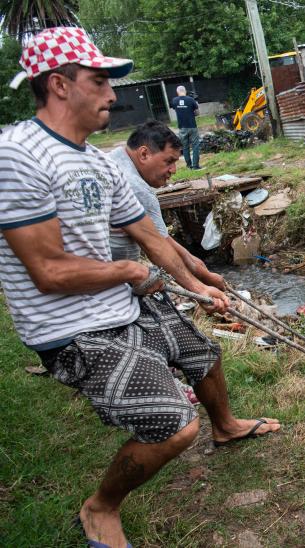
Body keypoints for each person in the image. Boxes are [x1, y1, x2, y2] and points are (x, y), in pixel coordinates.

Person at [0, 27, 279, 548]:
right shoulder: (18, 155)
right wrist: (127, 274)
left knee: (202, 352)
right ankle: (100, 508)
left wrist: (202, 281)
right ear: (60, 85)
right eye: (101, 80)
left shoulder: (94, 160)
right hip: (71, 327)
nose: (112, 94)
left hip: (120, 304)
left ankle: (227, 427)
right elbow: (47, 271)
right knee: (175, 426)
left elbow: (151, 238)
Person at [108, 120, 225, 290]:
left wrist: (201, 271)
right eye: (169, 161)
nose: (174, 170)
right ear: (144, 154)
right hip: (106, 283)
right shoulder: (136, 188)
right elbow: (159, 247)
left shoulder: (110, 159)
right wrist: (204, 282)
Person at [171, 85, 201, 170]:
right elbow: (197, 113)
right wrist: (194, 103)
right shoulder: (191, 100)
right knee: (195, 146)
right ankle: (195, 166)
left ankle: (189, 166)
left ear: (177, 92)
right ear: (185, 91)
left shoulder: (174, 100)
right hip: (192, 126)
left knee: (185, 147)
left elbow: (175, 108)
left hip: (182, 127)